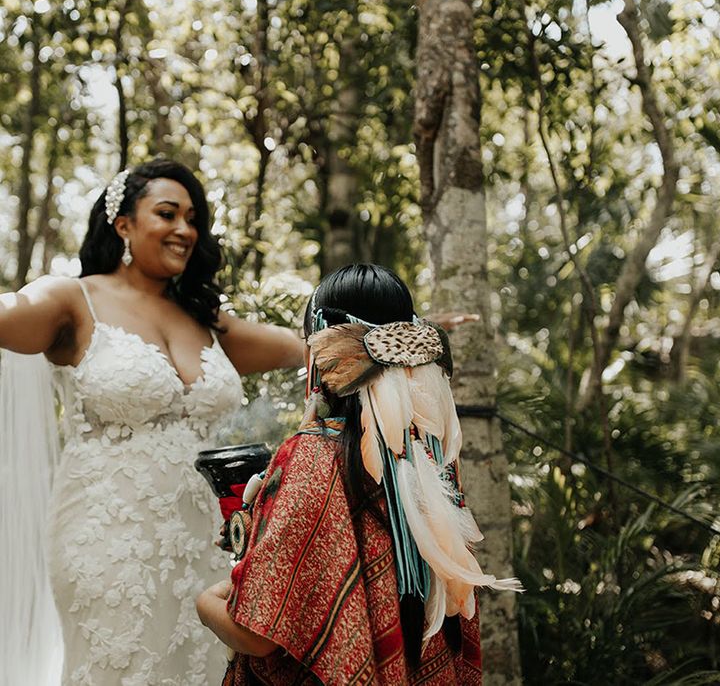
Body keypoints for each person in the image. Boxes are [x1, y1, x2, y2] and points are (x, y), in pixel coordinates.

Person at [0, 159, 305, 685]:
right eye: (168, 213)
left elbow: (310, 348)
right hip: (107, 537)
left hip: (210, 538)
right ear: (123, 223)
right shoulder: (71, 299)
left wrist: (395, 333)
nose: (185, 229)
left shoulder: (206, 318)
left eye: (192, 218)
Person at [196, 264, 522, 685]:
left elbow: (258, 635)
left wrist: (206, 604)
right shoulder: (429, 454)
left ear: (316, 351)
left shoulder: (310, 456)